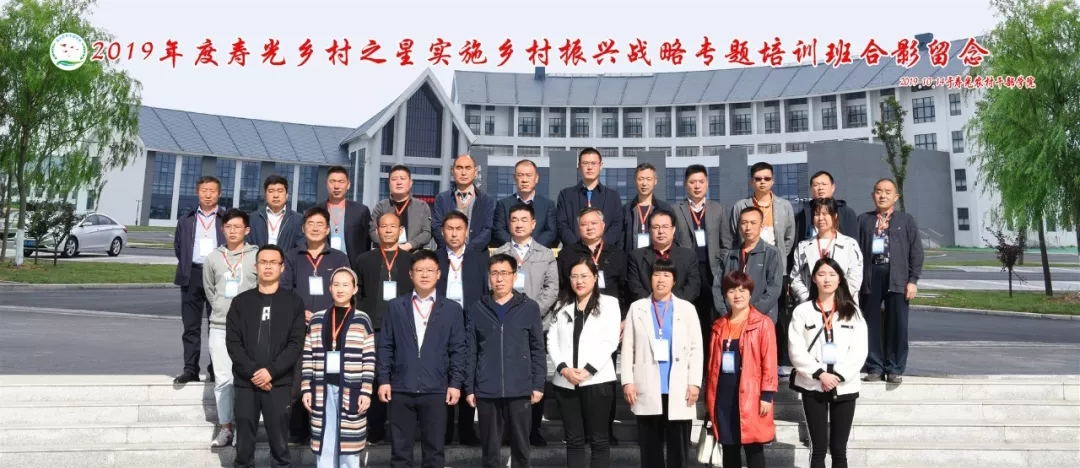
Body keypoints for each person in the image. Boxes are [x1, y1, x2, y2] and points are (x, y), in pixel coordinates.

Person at [377, 249, 469, 468]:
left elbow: (458, 349)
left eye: (430, 270)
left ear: (439, 274)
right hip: (401, 387)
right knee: (400, 454)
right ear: (411, 274)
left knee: (434, 452)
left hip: (436, 389)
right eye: (419, 270)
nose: (425, 275)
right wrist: (383, 380)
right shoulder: (396, 306)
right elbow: (386, 345)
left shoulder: (452, 309)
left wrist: (455, 383)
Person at [225, 244, 307, 468]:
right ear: (256, 266)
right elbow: (233, 343)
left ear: (282, 267)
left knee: (280, 446)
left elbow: (295, 344)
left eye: (273, 262)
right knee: (243, 446)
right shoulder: (241, 302)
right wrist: (254, 372)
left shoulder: (294, 302)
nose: (268, 267)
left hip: (278, 383)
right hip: (246, 382)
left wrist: (271, 371)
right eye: (263, 262)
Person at [464, 254, 546, 468]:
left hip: (520, 388)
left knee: (521, 448)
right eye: (494, 273)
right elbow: (471, 351)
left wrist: (538, 384)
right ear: (488, 276)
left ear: (514, 276)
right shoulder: (477, 308)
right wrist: (470, 388)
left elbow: (538, 349)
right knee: (490, 450)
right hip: (487, 389)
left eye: (504, 273)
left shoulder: (529, 307)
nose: (499, 279)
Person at [620, 259, 703, 468]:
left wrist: (694, 383)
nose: (661, 279)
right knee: (650, 449)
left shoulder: (687, 309)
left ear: (674, 281)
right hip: (647, 386)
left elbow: (696, 349)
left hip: (679, 387)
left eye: (666, 275)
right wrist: (627, 381)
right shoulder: (637, 308)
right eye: (656, 274)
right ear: (650, 279)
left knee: (678, 450)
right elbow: (628, 347)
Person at [789, 257, 869, 468]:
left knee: (839, 450)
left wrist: (838, 376)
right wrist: (820, 374)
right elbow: (796, 349)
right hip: (813, 385)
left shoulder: (852, 312)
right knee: (818, 448)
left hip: (844, 386)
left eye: (832, 274)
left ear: (840, 279)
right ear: (814, 279)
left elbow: (859, 351)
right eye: (822, 274)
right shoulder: (802, 311)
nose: (827, 279)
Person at [281, 206, 351, 444]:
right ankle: (297, 432)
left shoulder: (339, 258)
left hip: (331, 327)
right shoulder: (292, 256)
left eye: (320, 224)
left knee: (328, 378)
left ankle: (328, 429)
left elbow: (346, 289)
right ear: (303, 228)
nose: (315, 228)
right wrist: (300, 312)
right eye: (310, 224)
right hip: (299, 328)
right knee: (300, 378)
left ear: (328, 229)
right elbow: (285, 290)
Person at [492, 203, 559, 445]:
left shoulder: (546, 254)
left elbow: (552, 288)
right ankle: (508, 431)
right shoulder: (499, 253)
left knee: (535, 376)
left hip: (537, 324)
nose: (519, 224)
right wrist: (513, 316)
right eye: (514, 220)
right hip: (506, 325)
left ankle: (533, 430)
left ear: (533, 224)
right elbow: (493, 285)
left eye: (524, 219)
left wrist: (529, 313)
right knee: (507, 375)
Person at [547, 257, 621, 468]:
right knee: (573, 440)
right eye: (574, 276)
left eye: (584, 276)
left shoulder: (609, 303)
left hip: (597, 381)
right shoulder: (562, 305)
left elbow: (610, 341)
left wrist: (588, 370)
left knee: (599, 440)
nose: (579, 281)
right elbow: (552, 340)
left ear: (595, 277)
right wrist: (563, 369)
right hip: (566, 381)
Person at [300, 267, 376, 468]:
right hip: (321, 388)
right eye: (336, 284)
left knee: (349, 447)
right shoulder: (317, 319)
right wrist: (306, 387)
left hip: (351, 388)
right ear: (329, 288)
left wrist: (366, 391)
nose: (340, 289)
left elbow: (369, 358)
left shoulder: (362, 319)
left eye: (345, 285)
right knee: (325, 440)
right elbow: (308, 355)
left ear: (354, 289)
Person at [705, 271, 778, 468]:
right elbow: (712, 366)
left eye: (742, 290)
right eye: (731, 291)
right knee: (729, 450)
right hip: (724, 396)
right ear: (725, 295)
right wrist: (710, 398)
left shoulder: (763, 323)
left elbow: (769, 361)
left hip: (751, 396)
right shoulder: (719, 326)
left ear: (750, 293)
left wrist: (767, 394)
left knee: (754, 450)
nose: (737, 295)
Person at [856, 179, 923, 384]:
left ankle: (894, 368)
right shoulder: (863, 220)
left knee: (898, 324)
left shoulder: (906, 220)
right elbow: (855, 251)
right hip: (871, 277)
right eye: (878, 191)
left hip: (898, 278)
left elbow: (916, 252)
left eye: (887, 192)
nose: (882, 195)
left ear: (896, 197)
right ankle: (874, 367)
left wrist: (913, 280)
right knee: (871, 323)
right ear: (872, 195)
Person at [203, 208, 259, 447]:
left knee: (247, 378)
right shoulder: (213, 258)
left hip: (249, 328)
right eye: (228, 227)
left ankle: (244, 428)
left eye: (237, 227)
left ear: (247, 230)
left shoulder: (256, 255)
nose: (233, 231)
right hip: (220, 326)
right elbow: (210, 290)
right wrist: (220, 307)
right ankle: (226, 427)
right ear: (222, 229)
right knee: (223, 379)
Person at [435, 211, 488, 446]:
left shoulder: (479, 259)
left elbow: (486, 293)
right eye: (449, 229)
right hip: (440, 323)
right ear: (442, 231)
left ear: (467, 232)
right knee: (443, 374)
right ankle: (444, 430)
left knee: (469, 373)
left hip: (470, 322)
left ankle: (467, 430)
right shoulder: (434, 258)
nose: (454, 233)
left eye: (459, 229)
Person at [672, 165, 734, 352]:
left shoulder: (718, 209)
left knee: (711, 317)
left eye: (701, 181)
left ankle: (711, 359)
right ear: (685, 185)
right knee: (689, 317)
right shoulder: (675, 210)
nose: (697, 186)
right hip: (687, 272)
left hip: (712, 271)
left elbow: (726, 242)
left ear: (707, 183)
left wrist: (722, 266)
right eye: (692, 182)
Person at [173, 175, 225, 384]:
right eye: (204, 190)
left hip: (218, 275)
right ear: (197, 193)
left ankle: (216, 369)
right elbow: (179, 247)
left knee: (218, 326)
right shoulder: (186, 219)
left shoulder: (226, 218)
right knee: (191, 326)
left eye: (212, 190)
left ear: (219, 194)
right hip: (192, 274)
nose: (208, 194)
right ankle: (190, 369)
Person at [713, 207, 784, 322]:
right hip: (732, 318)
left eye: (753, 223)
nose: (748, 227)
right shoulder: (730, 254)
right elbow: (717, 287)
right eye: (744, 223)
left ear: (761, 226)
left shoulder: (772, 253)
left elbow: (774, 289)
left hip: (760, 319)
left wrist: (750, 313)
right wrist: (725, 312)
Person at [790, 198, 864, 305]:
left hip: (843, 304)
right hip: (812, 305)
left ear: (835, 216)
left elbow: (855, 276)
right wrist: (808, 299)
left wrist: (838, 299)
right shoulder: (803, 247)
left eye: (825, 214)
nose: (821, 218)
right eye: (817, 214)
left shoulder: (849, 244)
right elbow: (795, 277)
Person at [557, 207, 629, 311]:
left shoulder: (617, 254)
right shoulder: (567, 254)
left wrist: (622, 316)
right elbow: (562, 288)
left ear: (603, 225)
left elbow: (625, 290)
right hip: (576, 311)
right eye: (584, 224)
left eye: (594, 223)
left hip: (610, 312)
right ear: (578, 228)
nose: (589, 227)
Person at [731, 162, 796, 274]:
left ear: (772, 181)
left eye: (767, 178)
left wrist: (778, 255)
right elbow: (734, 235)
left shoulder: (785, 206)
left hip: (776, 264)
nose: (762, 182)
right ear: (751, 181)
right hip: (748, 264)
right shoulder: (740, 206)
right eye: (758, 179)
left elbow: (789, 237)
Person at [354, 211, 414, 333]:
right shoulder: (364, 260)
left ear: (401, 230)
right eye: (384, 226)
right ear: (377, 231)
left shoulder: (411, 260)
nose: (388, 230)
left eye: (393, 226)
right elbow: (358, 293)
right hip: (371, 325)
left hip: (403, 325)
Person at [627, 209, 700, 302]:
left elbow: (693, 288)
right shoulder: (636, 257)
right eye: (656, 227)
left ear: (673, 229)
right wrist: (654, 304)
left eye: (665, 226)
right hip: (647, 307)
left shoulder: (688, 256)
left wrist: (671, 304)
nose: (661, 231)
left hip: (680, 308)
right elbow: (635, 289)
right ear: (650, 230)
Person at [556, 148, 624, 248]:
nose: (589, 167)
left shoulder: (613, 196)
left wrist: (599, 247)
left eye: (593, 163)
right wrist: (578, 248)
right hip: (574, 252)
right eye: (585, 163)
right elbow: (562, 226)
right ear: (579, 166)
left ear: (601, 166)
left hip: (604, 252)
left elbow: (617, 226)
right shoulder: (566, 195)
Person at [432, 154, 496, 252]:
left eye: (468, 168)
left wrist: (468, 250)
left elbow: (488, 230)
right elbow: (436, 227)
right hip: (446, 254)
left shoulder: (487, 200)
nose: (463, 173)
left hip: (477, 254)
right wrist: (451, 249)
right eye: (459, 168)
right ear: (452, 171)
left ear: (475, 172)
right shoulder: (442, 199)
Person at [493, 159, 557, 248]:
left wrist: (531, 247)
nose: (524, 180)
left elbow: (551, 232)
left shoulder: (548, 205)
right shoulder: (503, 204)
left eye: (529, 175)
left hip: (538, 253)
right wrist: (516, 246)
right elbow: (499, 231)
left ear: (536, 178)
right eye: (520, 175)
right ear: (514, 178)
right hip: (511, 252)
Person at [368, 165, 433, 253]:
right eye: (394, 179)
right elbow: (372, 231)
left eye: (402, 178)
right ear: (389, 183)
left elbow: (427, 233)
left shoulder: (422, 206)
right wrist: (389, 246)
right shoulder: (381, 206)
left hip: (413, 254)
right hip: (386, 253)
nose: (399, 182)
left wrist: (409, 245)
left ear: (410, 182)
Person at [621, 162, 672, 256]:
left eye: (648, 179)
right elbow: (621, 242)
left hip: (658, 260)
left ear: (655, 181)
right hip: (632, 260)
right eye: (641, 179)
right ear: (635, 181)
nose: (644, 183)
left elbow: (672, 237)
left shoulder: (664, 208)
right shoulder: (626, 209)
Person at [794, 171, 859, 242]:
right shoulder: (803, 215)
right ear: (811, 189)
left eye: (824, 184)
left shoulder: (846, 212)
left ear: (833, 187)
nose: (820, 188)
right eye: (816, 185)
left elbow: (853, 240)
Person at [247, 175, 304, 249]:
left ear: (287, 195)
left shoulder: (298, 220)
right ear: (265, 195)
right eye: (271, 191)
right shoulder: (253, 219)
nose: (276, 195)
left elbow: (300, 246)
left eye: (280, 191)